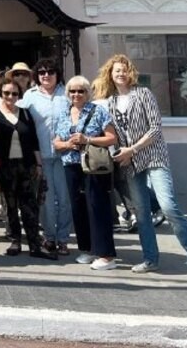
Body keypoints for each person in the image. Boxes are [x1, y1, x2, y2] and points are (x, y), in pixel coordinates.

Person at [94, 54, 187, 287]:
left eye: (124, 70)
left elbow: (155, 128)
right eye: (116, 70)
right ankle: (150, 258)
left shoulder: (144, 94)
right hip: (130, 163)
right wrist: (119, 152)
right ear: (110, 74)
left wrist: (132, 149)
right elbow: (113, 135)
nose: (120, 74)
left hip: (153, 157)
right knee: (141, 213)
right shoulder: (109, 102)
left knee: (169, 207)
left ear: (131, 73)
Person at [53, 76, 118, 271]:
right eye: (72, 91)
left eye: (81, 91)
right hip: (71, 165)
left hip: (93, 166)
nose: (76, 94)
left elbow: (111, 138)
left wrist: (87, 139)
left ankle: (106, 255)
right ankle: (87, 249)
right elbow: (56, 141)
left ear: (87, 93)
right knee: (78, 207)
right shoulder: (65, 112)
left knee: (97, 207)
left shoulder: (98, 111)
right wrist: (67, 144)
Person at [0, 77, 56, 259]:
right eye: (6, 93)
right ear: (0, 94)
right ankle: (15, 241)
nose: (10, 96)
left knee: (30, 206)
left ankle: (34, 244)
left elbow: (34, 140)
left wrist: (38, 165)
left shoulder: (26, 114)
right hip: (5, 166)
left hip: (26, 165)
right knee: (10, 205)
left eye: (14, 93)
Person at [18, 57, 73, 256]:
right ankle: (50, 237)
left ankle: (64, 238)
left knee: (65, 199)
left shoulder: (67, 94)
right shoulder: (30, 97)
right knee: (46, 201)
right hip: (40, 156)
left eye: (50, 71)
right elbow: (14, 116)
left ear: (57, 74)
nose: (46, 75)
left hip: (64, 154)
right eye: (41, 72)